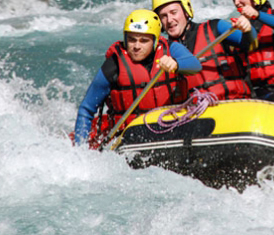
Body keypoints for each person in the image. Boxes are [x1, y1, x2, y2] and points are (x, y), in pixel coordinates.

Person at [73, 9, 202, 146]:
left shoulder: (171, 49)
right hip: (132, 139)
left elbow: (195, 65)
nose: (136, 46)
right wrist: (80, 148)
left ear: (155, 41)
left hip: (175, 130)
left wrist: (176, 64)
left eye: (144, 41)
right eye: (132, 39)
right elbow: (87, 109)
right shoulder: (114, 65)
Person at [152, 0, 256, 101]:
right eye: (163, 16)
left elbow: (251, 44)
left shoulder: (216, 27)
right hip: (197, 112)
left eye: (173, 13)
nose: (169, 20)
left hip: (235, 101)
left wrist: (248, 30)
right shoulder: (163, 50)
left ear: (186, 11)